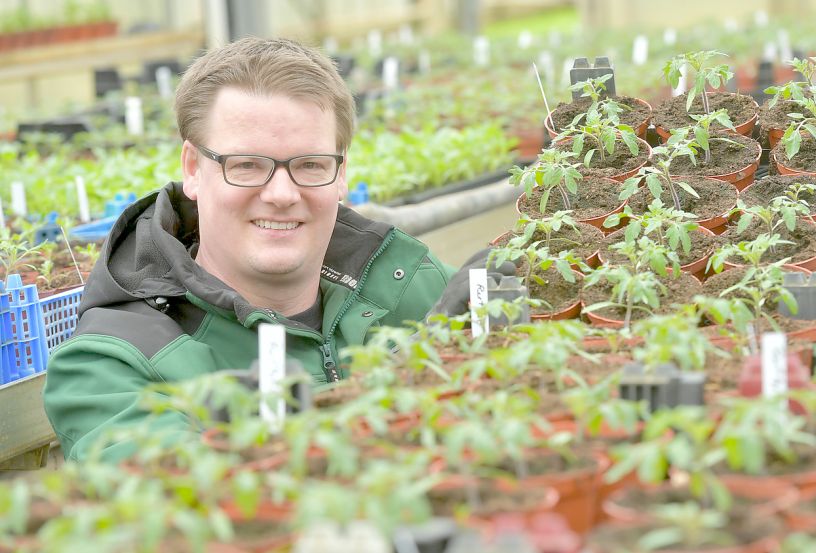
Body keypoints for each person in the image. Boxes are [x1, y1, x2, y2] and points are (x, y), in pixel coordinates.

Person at [43, 37, 504, 462]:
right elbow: (188, 511)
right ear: (194, 169)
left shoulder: (409, 283)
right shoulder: (112, 363)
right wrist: (406, 384)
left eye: (310, 164)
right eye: (246, 165)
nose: (282, 193)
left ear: (341, 173)